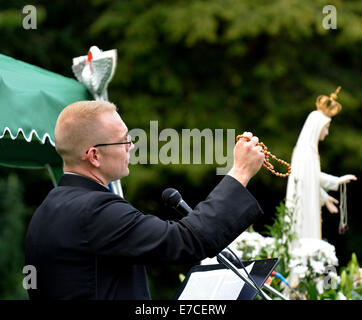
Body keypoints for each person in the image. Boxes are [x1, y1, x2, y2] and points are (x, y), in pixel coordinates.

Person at [25, 100, 266, 300]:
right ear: (94, 155)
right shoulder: (95, 210)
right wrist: (240, 172)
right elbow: (185, 241)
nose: (130, 145)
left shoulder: (44, 213)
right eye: (123, 139)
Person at [285, 87, 357, 240]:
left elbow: (309, 179)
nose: (327, 132)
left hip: (305, 201)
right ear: (317, 128)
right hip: (302, 206)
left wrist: (324, 198)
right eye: (326, 128)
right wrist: (337, 181)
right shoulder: (306, 151)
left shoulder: (308, 149)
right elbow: (310, 178)